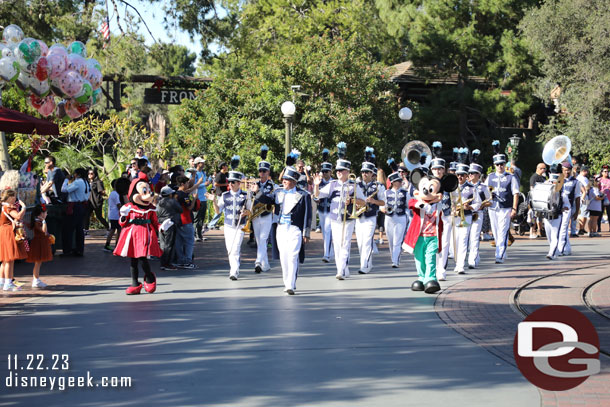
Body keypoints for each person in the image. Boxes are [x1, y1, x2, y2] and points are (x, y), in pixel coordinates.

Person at [313, 142, 365, 280]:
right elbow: (318, 196)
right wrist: (316, 186)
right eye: (337, 171)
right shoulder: (332, 184)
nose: (339, 173)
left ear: (347, 172)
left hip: (348, 218)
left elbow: (363, 202)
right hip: (335, 218)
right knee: (337, 244)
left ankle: (341, 271)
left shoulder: (354, 185)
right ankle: (342, 269)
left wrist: (353, 201)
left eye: (341, 171)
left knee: (345, 243)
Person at [114, 178, 165, 295]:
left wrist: (161, 227)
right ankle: (134, 283)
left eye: (148, 192)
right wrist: (123, 216)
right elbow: (122, 223)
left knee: (142, 257)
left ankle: (150, 278)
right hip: (132, 234)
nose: (148, 195)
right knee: (133, 260)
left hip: (144, 233)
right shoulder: (128, 207)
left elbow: (154, 222)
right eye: (143, 191)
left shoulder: (150, 209)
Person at [272, 159, 312, 295]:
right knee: (283, 256)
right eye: (283, 179)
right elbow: (265, 199)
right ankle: (286, 282)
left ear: (294, 182)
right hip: (281, 228)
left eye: (287, 179)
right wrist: (257, 191)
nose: (283, 181)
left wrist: (306, 233)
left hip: (295, 229)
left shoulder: (303, 195)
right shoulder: (277, 192)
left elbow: (308, 214)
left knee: (293, 256)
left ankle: (291, 284)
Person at [211, 156, 249, 280]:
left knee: (236, 247)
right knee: (230, 249)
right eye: (229, 182)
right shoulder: (224, 195)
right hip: (228, 225)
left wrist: (246, 212)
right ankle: (234, 266)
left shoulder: (245, 196)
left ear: (239, 183)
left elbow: (251, 211)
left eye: (233, 182)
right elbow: (218, 211)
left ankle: (234, 271)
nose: (231, 184)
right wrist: (214, 201)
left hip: (240, 225)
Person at [484, 141, 519, 264]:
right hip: (493, 207)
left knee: (503, 230)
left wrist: (514, 208)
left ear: (505, 164)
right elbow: (484, 191)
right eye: (497, 164)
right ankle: (501, 252)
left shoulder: (510, 177)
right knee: (496, 231)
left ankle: (499, 255)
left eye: (502, 164)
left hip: (505, 207)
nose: (500, 166)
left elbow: (516, 193)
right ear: (494, 165)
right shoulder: (490, 176)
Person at [355, 147, 385, 274]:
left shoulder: (378, 186)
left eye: (367, 172)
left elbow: (383, 202)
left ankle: (364, 266)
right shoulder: (356, 184)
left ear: (372, 173)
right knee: (360, 243)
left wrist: (373, 201)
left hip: (371, 216)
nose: (364, 174)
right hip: (358, 216)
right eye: (363, 172)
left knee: (367, 241)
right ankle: (369, 263)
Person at [452, 160, 481, 274]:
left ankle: (460, 265)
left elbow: (478, 203)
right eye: (458, 175)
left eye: (462, 175)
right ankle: (457, 263)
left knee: (464, 240)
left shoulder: (472, 188)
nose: (460, 177)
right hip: (455, 216)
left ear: (466, 176)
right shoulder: (452, 186)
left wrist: (470, 207)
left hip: (467, 216)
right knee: (456, 241)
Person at [251, 146, 276, 273]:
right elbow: (251, 199)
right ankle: (265, 264)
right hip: (256, 215)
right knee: (259, 240)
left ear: (268, 172)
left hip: (266, 215)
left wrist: (258, 192)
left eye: (264, 171)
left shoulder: (271, 185)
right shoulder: (255, 184)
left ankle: (258, 261)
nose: (262, 173)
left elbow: (269, 199)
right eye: (260, 171)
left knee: (263, 239)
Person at [0, 189, 27, 291]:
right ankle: (8, 283)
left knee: (4, 260)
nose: (15, 198)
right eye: (14, 196)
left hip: (2, 232)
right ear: (10, 197)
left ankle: (2, 281)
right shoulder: (9, 207)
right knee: (9, 260)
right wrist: (23, 207)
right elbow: (18, 216)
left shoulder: (2, 206)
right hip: (8, 233)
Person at [383, 158, 408, 268]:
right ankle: (394, 256)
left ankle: (395, 260)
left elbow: (408, 205)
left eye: (400, 181)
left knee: (397, 240)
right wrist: (383, 209)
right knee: (391, 240)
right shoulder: (386, 192)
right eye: (398, 181)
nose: (399, 182)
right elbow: (381, 205)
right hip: (389, 218)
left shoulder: (405, 192)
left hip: (401, 217)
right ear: (393, 182)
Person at [467, 155, 491, 269]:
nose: (470, 175)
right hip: (466, 214)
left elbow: (490, 201)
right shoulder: (465, 187)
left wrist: (481, 205)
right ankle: (474, 256)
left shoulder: (483, 187)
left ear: (478, 175)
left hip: (478, 214)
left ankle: (472, 259)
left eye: (473, 173)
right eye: (469, 173)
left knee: (475, 236)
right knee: (466, 237)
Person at [61, 168, 90, 257]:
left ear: (78, 174)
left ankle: (67, 250)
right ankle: (79, 249)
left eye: (74, 173)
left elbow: (64, 189)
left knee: (68, 229)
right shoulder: (86, 182)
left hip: (75, 206)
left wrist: (66, 179)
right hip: (82, 206)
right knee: (79, 230)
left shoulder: (78, 182)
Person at [26, 204, 53, 288]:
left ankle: (36, 279)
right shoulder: (37, 222)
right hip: (39, 243)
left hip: (41, 242)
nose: (46, 214)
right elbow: (44, 231)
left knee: (39, 262)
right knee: (37, 263)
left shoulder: (37, 221)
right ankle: (35, 280)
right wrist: (44, 221)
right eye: (45, 213)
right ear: (41, 214)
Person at [557, 162, 581, 256]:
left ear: (571, 170)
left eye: (568, 170)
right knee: (562, 228)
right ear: (562, 170)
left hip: (568, 207)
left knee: (563, 228)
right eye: (565, 170)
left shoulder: (576, 182)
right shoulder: (559, 180)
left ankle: (561, 249)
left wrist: (577, 212)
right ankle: (567, 248)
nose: (566, 172)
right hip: (558, 208)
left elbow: (577, 197)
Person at [315, 149, 334, 262]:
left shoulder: (334, 182)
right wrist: (316, 199)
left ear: (331, 172)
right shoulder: (319, 182)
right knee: (324, 231)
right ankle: (329, 251)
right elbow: (315, 195)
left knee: (328, 230)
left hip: (331, 210)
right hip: (322, 209)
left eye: (327, 171)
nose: (325, 173)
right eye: (324, 171)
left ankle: (326, 254)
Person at [174, 176, 198, 269]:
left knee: (179, 242)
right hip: (185, 220)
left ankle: (180, 260)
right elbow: (189, 207)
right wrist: (194, 199)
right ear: (183, 184)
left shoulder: (175, 194)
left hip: (177, 220)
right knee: (189, 241)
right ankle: (187, 260)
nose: (188, 185)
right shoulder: (183, 195)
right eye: (187, 183)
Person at [157, 186, 182, 270]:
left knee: (163, 244)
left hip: (161, 224)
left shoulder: (159, 202)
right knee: (169, 244)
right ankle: (166, 263)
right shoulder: (172, 202)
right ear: (169, 194)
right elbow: (180, 209)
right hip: (169, 223)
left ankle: (163, 262)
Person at [192, 157, 210, 242]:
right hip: (197, 198)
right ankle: (194, 235)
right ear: (198, 164)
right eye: (202, 162)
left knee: (202, 218)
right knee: (196, 217)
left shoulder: (203, 173)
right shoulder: (194, 173)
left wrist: (206, 183)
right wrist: (204, 184)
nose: (203, 164)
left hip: (204, 198)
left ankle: (199, 234)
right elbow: (194, 185)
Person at [85, 168, 109, 233]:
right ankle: (86, 230)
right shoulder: (87, 182)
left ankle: (108, 228)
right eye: (88, 173)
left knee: (99, 216)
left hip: (96, 202)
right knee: (86, 216)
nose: (90, 175)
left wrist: (103, 194)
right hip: (89, 202)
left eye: (91, 173)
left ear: (95, 174)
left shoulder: (98, 182)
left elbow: (102, 191)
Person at [104, 179, 123, 252]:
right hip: (115, 215)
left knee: (116, 229)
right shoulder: (115, 194)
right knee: (115, 230)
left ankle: (115, 244)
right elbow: (118, 205)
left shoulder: (113, 193)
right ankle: (109, 244)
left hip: (113, 214)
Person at [208, 161, 229, 229]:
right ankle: (212, 224)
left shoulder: (225, 174)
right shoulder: (219, 175)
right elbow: (215, 184)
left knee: (223, 210)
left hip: (224, 193)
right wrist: (224, 184)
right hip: (220, 194)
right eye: (226, 165)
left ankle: (213, 224)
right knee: (220, 210)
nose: (227, 167)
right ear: (223, 167)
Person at [529, 163, 547, 238]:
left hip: (541, 200)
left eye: (545, 168)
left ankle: (540, 231)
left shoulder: (543, 177)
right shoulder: (534, 177)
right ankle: (532, 231)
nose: (544, 170)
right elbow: (531, 188)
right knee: (533, 216)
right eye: (543, 168)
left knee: (540, 216)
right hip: (535, 200)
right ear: (539, 168)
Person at [576, 166, 590, 235]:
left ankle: (583, 228)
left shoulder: (584, 178)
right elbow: (586, 188)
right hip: (583, 197)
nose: (586, 172)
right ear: (582, 171)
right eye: (585, 171)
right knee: (583, 212)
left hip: (585, 196)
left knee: (585, 212)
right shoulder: (580, 178)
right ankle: (581, 228)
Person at [599, 165, 610, 231]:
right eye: (605, 171)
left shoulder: (609, 180)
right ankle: (598, 227)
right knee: (600, 214)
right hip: (600, 199)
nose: (606, 173)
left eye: (607, 172)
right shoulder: (599, 180)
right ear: (602, 172)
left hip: (609, 198)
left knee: (609, 214)